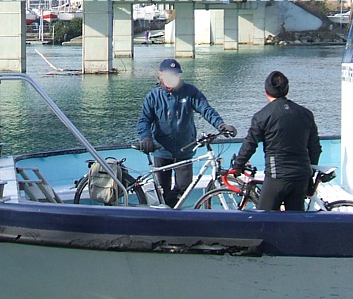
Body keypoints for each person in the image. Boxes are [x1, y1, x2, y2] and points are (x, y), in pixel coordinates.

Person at [137, 58, 236, 206]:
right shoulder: (153, 96)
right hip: (161, 150)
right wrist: (146, 138)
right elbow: (144, 120)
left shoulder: (190, 92)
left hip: (185, 149)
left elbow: (206, 110)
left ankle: (170, 212)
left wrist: (221, 125)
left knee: (184, 187)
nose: (173, 78)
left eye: (176, 75)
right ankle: (164, 217)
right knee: (162, 191)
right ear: (161, 75)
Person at [231, 71, 321, 211]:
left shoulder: (262, 116)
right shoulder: (305, 114)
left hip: (277, 176)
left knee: (264, 220)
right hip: (301, 175)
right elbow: (315, 148)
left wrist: (238, 165)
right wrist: (311, 172)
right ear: (287, 90)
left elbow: (250, 144)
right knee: (295, 223)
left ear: (266, 91)